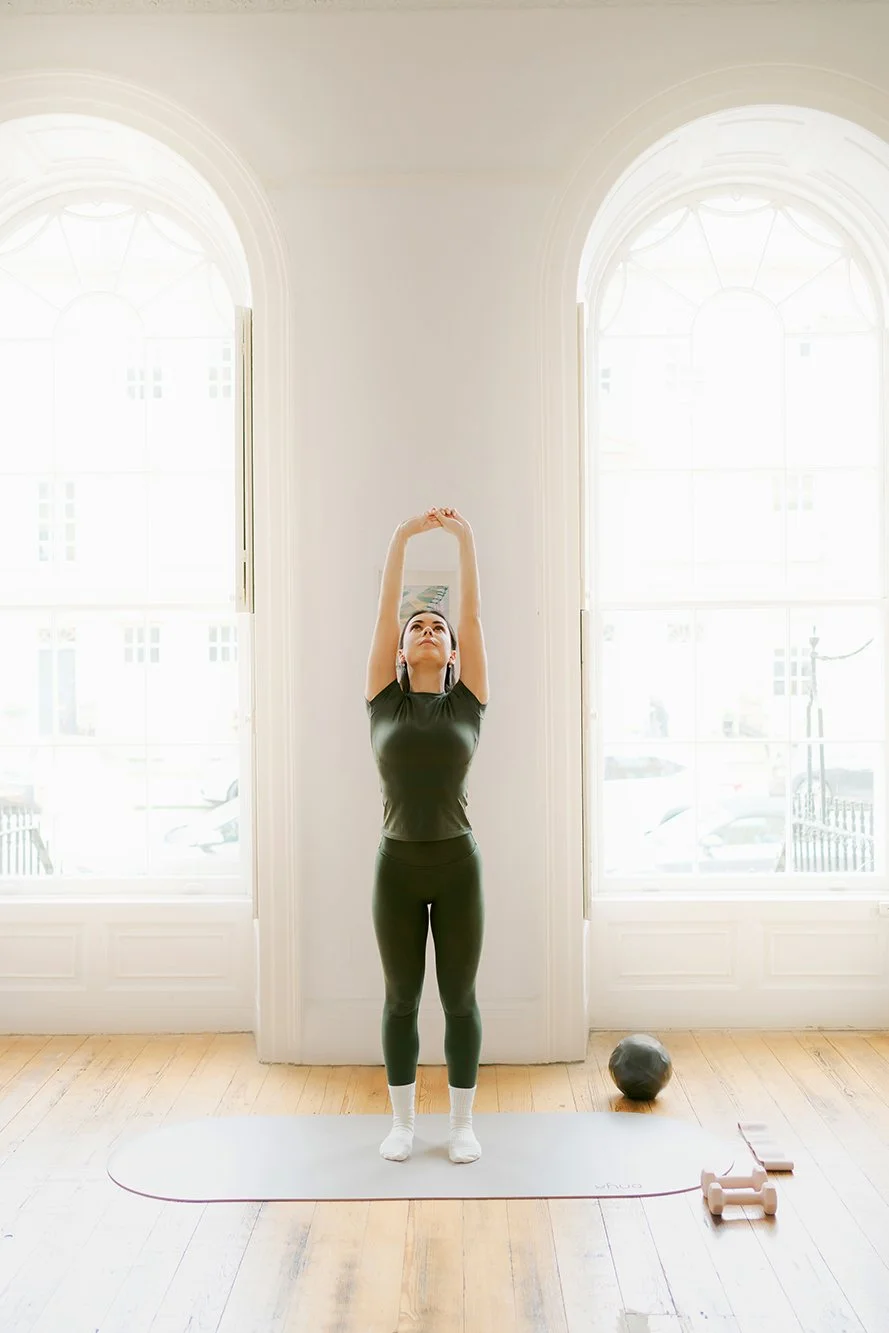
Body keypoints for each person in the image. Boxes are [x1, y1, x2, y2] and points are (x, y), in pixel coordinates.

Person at [365, 506, 489, 1164]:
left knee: (459, 998)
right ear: (401, 646)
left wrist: (464, 539)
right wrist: (401, 536)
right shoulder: (382, 699)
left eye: (436, 625)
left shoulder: (465, 700)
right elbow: (386, 610)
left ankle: (462, 1124)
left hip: (456, 864)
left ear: (451, 650)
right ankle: (404, 1123)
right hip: (397, 868)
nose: (427, 630)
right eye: (417, 624)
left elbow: (470, 616)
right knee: (400, 999)